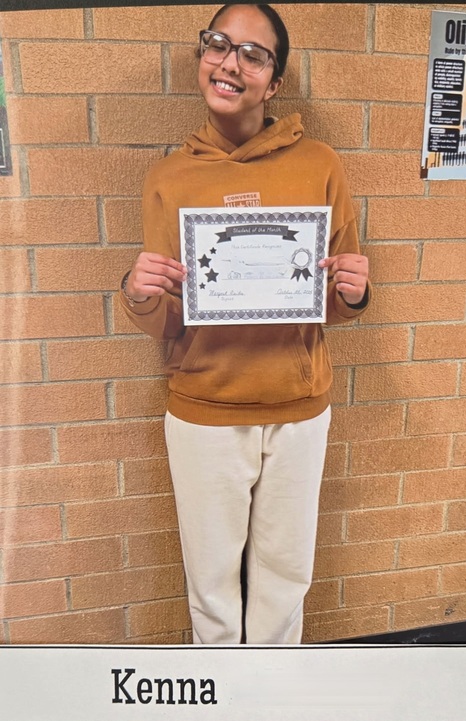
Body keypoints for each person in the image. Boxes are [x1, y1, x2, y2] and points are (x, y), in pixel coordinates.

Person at [120, 3, 369, 645]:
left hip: (298, 410)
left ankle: (270, 710)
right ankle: (224, 710)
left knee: (287, 578)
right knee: (210, 585)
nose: (231, 63)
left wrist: (354, 291)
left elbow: (334, 299)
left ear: (274, 81)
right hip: (204, 411)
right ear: (202, 55)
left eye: (253, 54)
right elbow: (169, 320)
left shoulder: (319, 164)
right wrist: (140, 293)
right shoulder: (169, 178)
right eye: (218, 45)